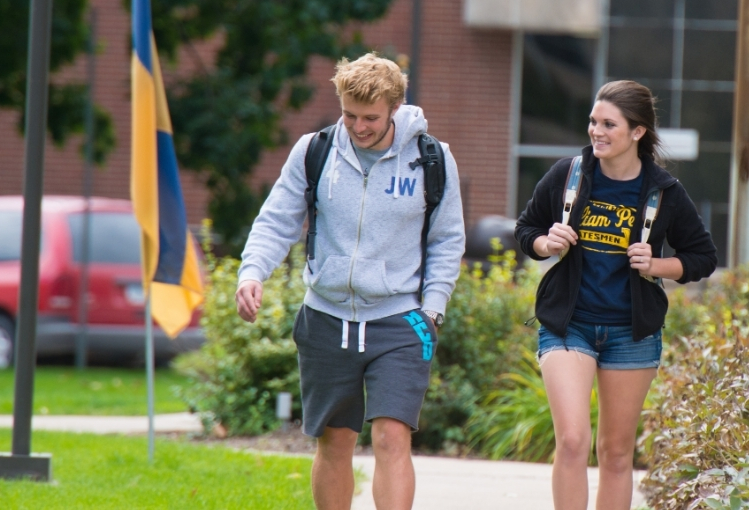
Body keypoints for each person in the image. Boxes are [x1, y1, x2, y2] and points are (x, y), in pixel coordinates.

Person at [235, 53, 465, 510]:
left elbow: (447, 238)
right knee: (335, 440)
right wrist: (252, 272)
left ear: (395, 108)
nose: (358, 127)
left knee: (392, 436)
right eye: (349, 115)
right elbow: (277, 220)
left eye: (370, 118)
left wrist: (433, 309)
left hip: (401, 319)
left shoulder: (431, 159)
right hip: (325, 316)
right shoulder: (315, 150)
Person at [514, 80, 717, 510]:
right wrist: (546, 243)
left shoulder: (664, 191)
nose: (596, 131)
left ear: (637, 131)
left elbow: (702, 257)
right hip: (569, 326)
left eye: (609, 124)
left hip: (631, 333)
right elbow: (526, 229)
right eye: (593, 121)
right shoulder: (568, 175)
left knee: (616, 452)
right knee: (572, 441)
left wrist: (656, 265)